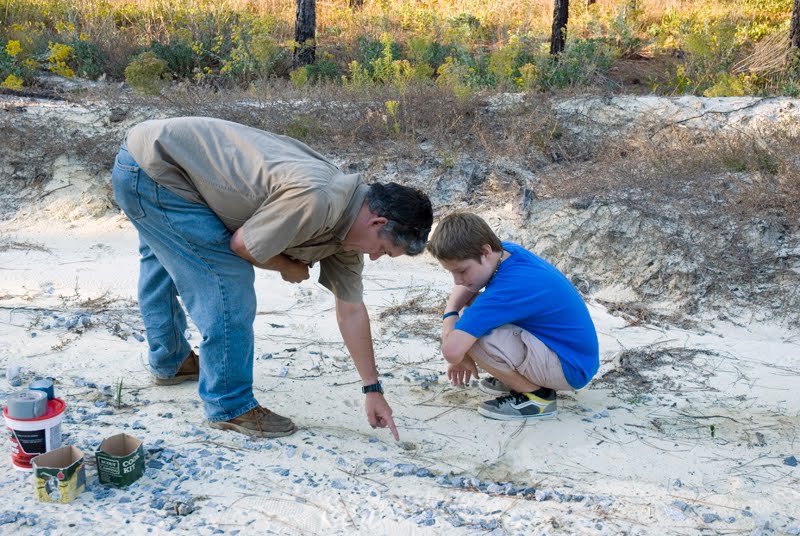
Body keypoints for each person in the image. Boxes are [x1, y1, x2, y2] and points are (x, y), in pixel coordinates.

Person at [111, 116, 432, 440]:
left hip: (159, 163)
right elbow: (243, 245)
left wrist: (372, 389)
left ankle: (171, 362)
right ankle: (230, 405)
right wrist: (286, 266)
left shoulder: (349, 233)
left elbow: (351, 310)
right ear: (378, 222)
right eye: (384, 250)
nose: (375, 257)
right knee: (227, 280)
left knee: (167, 258)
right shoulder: (317, 199)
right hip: (157, 171)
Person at [426, 213, 598, 420]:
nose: (458, 280)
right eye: (452, 273)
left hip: (570, 367)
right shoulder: (506, 251)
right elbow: (461, 295)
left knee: (474, 333)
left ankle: (537, 397)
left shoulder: (509, 288)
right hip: (572, 354)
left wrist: (460, 354)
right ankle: (518, 378)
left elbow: (452, 351)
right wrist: (451, 314)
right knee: (468, 316)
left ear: (485, 252)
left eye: (462, 271)